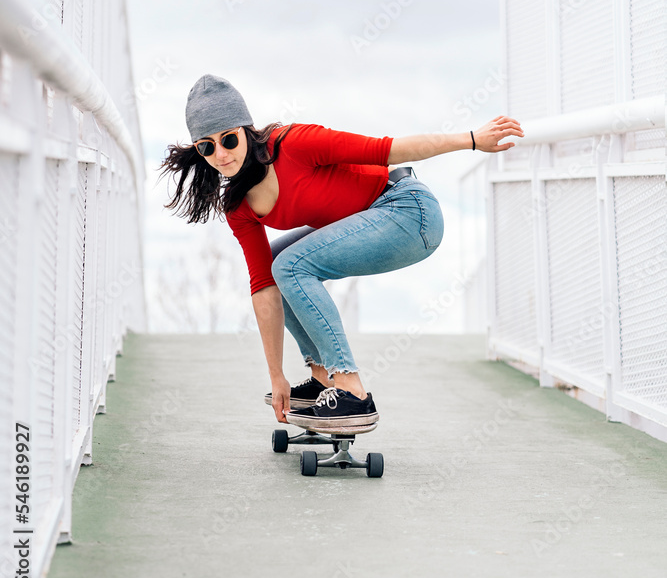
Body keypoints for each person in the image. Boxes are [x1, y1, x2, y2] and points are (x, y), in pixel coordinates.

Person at [159, 74, 524, 432]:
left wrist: (472, 140)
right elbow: (263, 288)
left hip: (410, 211)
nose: (221, 155)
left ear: (246, 129)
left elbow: (388, 149)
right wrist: (277, 376)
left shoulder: (296, 144)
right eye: (207, 146)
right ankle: (322, 378)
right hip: (375, 219)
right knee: (276, 267)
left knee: (290, 264)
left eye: (228, 139)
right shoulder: (238, 205)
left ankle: (350, 388)